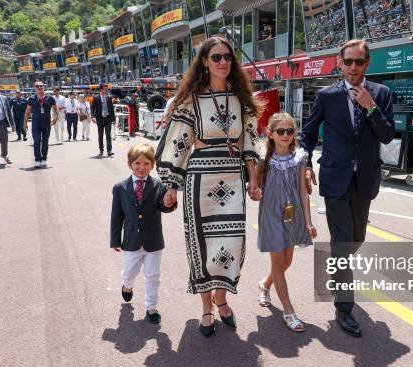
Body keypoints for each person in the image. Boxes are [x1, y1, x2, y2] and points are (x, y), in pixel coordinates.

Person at [157, 37, 262, 337]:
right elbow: (178, 142)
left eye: (227, 57)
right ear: (204, 61)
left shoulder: (242, 98)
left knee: (231, 244)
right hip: (200, 181)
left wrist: (253, 180)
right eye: (216, 57)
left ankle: (222, 297)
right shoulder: (191, 99)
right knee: (203, 248)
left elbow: (250, 142)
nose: (223, 62)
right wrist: (171, 185)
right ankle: (207, 308)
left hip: (232, 179)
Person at [300, 39, 395, 337]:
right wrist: (304, 164)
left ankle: (337, 270)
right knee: (342, 242)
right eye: (348, 62)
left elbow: (387, 135)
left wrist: (371, 107)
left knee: (355, 240)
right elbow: (308, 133)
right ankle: (344, 309)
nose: (353, 67)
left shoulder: (382, 93)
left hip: (364, 179)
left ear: (368, 64)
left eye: (359, 62)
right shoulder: (327, 95)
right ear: (340, 63)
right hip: (334, 178)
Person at [256, 112, 317, 332]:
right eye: (280, 131)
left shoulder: (300, 157)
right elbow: (253, 182)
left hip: (293, 214)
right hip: (271, 213)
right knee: (278, 261)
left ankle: (265, 284)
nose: (285, 135)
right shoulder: (263, 157)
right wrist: (253, 188)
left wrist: (309, 222)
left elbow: (303, 192)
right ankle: (289, 311)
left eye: (289, 131)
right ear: (270, 134)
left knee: (286, 262)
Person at [111, 143, 177, 324]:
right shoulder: (120, 188)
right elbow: (116, 216)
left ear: (153, 165)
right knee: (129, 273)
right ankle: (127, 285)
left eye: (146, 164)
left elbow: (164, 207)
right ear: (129, 164)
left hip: (154, 240)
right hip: (131, 241)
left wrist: (169, 203)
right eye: (137, 163)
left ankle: (151, 307)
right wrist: (115, 240)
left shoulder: (159, 186)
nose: (141, 167)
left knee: (153, 275)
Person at [24, 81, 58, 168]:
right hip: (36, 123)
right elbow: (27, 111)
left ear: (44, 87)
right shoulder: (31, 99)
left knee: (45, 141)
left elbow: (55, 108)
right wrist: (25, 123)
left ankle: (44, 158)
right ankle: (37, 159)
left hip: (47, 123)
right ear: (35, 88)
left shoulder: (50, 98)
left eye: (41, 86)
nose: (39, 87)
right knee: (37, 141)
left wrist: (55, 118)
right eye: (37, 86)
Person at [91, 84, 115, 157]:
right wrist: (93, 117)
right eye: (104, 89)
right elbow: (92, 108)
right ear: (101, 89)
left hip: (108, 118)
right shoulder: (95, 98)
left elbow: (111, 109)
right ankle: (101, 150)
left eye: (106, 89)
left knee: (108, 135)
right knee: (100, 135)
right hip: (100, 119)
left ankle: (109, 150)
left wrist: (113, 119)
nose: (106, 90)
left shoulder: (109, 97)